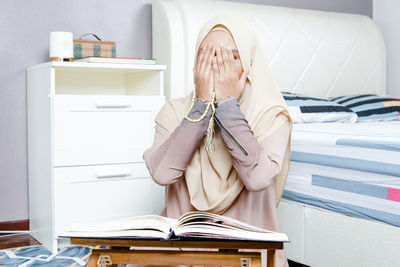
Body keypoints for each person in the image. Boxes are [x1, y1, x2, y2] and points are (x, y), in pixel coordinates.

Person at [141, 15, 292, 267]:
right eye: (208, 55)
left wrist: (227, 106)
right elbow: (162, 174)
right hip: (180, 253)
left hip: (248, 255)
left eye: (230, 58)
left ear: (248, 66)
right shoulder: (175, 111)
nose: (217, 65)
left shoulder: (271, 116)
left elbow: (257, 178)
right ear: (195, 64)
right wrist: (200, 107)